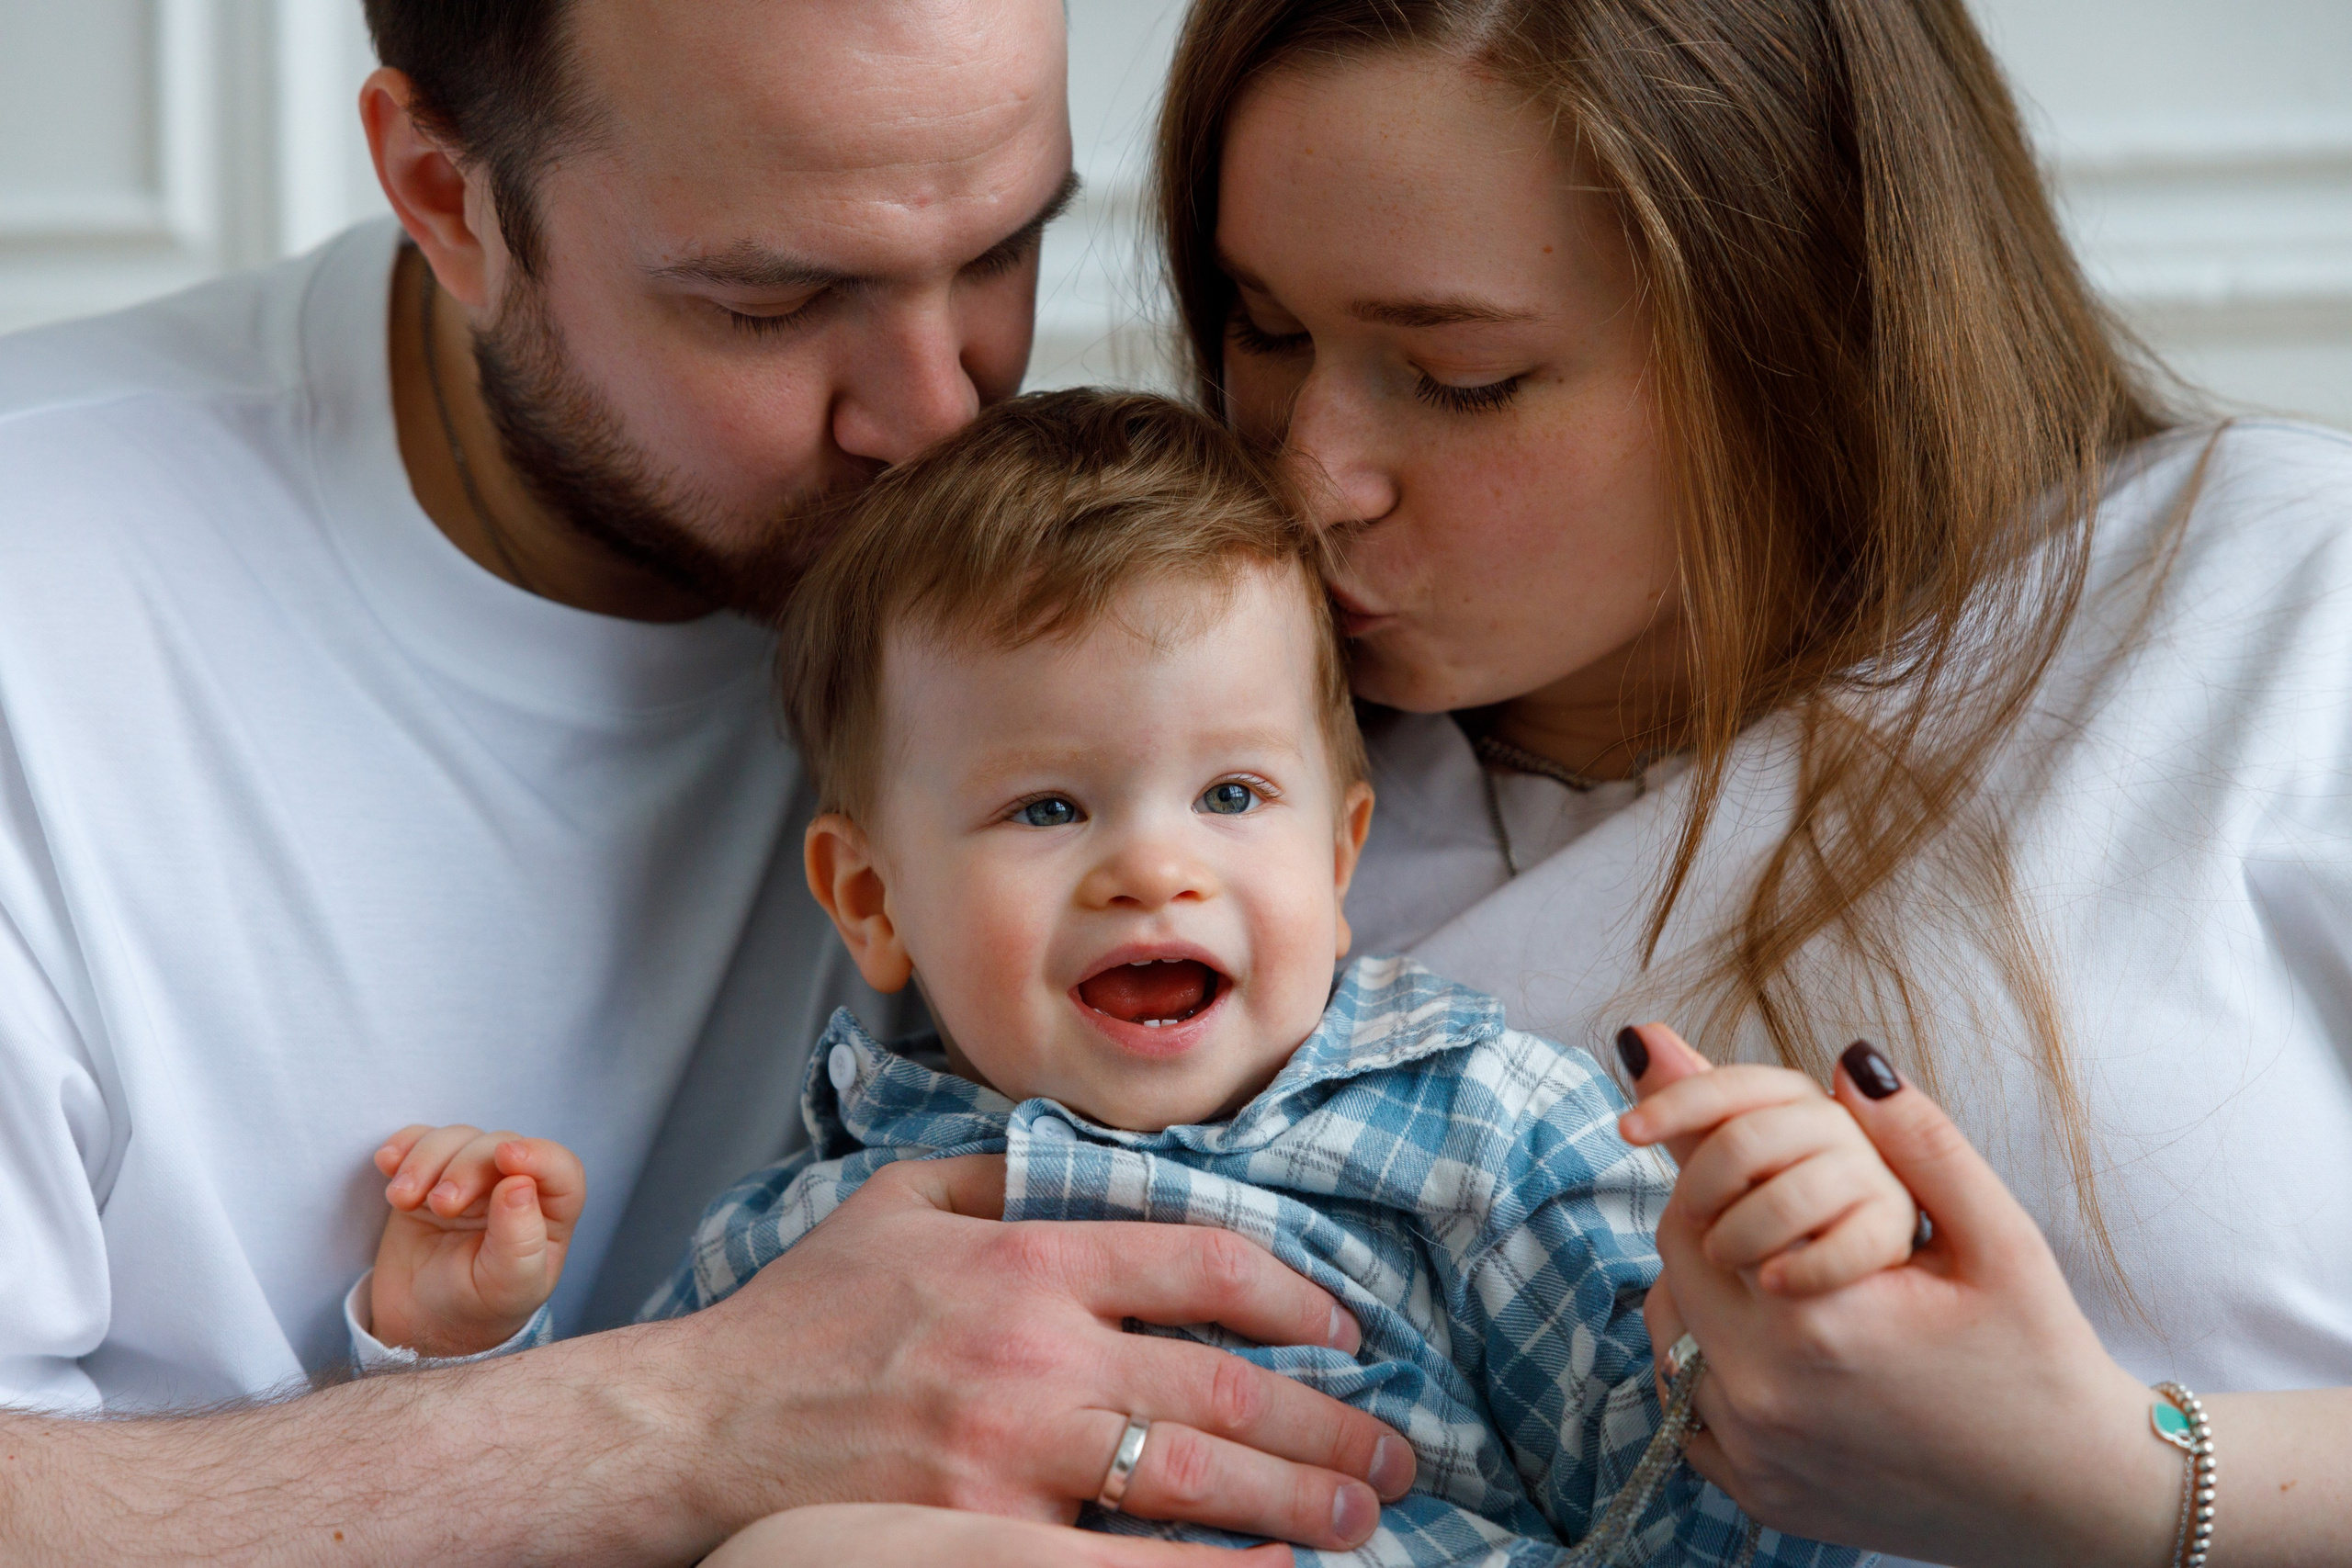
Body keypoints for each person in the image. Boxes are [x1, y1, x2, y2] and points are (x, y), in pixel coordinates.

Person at [0, 3, 1414, 1562]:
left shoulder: (1113, 614)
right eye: (775, 298)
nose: (940, 415)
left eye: (1006, 250)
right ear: (443, 194)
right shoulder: (45, 605)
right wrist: (685, 1423)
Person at [1149, 0, 2352, 1564]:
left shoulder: (2271, 596)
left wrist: (2124, 1485)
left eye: (1460, 377)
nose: (1312, 476)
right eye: (1267, 330)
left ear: (1806, 319)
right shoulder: (1173, 821)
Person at [358, 389, 1909, 1566]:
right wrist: (457, 1349)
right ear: (871, 897)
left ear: (1342, 847)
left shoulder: (1473, 1125)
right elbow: (627, 1491)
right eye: (1048, 808)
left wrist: (1775, 1294)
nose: (1152, 870)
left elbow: (1695, 1512)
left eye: (1233, 798)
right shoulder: (826, 1228)